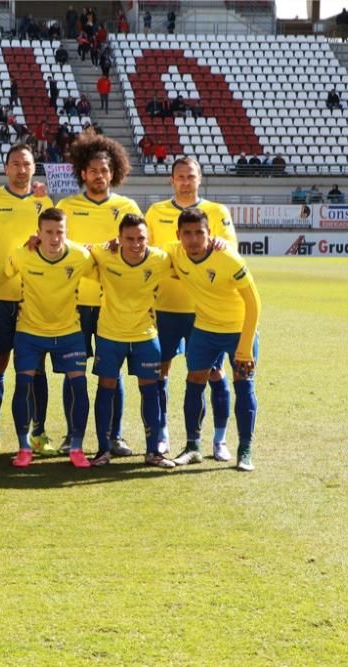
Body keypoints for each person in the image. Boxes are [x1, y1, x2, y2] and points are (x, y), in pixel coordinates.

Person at [0, 208, 95, 468]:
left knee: (79, 386)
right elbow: (2, 274)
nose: (54, 238)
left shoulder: (80, 256)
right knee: (23, 385)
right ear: (38, 233)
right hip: (29, 332)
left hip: (69, 333)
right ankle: (24, 447)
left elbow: (103, 270)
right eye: (49, 232)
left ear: (66, 232)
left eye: (59, 232)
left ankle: (76, 447)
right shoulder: (23, 255)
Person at [56, 131, 141, 457]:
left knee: (111, 371)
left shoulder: (127, 206)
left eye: (104, 170)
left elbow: (139, 249)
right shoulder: (67, 206)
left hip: (112, 304)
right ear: (82, 173)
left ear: (113, 172)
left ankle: (114, 435)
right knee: (73, 371)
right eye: (93, 170)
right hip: (74, 301)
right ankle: (72, 435)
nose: (99, 176)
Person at [145, 156, 237, 458]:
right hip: (166, 306)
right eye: (180, 176)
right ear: (171, 180)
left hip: (204, 311)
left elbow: (228, 252)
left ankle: (219, 441)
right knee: (161, 371)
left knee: (213, 372)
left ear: (200, 178)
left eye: (191, 176)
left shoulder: (217, 212)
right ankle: (162, 434)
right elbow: (149, 254)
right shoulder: (156, 212)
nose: (186, 181)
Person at [0, 144, 54, 457]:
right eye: (15, 164)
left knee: (36, 368)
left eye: (27, 164)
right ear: (6, 168)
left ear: (34, 169)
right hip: (1, 298)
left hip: (36, 297)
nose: (21, 169)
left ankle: (39, 432)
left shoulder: (43, 200)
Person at [167, 207, 261, 472]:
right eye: (188, 233)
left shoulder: (228, 258)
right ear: (179, 235)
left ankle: (245, 450)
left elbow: (253, 304)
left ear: (210, 234)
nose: (194, 239)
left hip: (239, 330)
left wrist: (244, 348)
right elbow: (147, 254)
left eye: (200, 233)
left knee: (244, 384)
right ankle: (193, 446)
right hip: (205, 331)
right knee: (194, 381)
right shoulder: (174, 253)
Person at [88, 214, 173, 467]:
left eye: (141, 238)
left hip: (145, 335)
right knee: (106, 389)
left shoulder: (160, 259)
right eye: (129, 239)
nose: (136, 244)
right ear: (119, 238)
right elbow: (82, 250)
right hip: (110, 335)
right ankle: (103, 451)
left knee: (150, 391)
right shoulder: (104, 254)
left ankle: (153, 452)